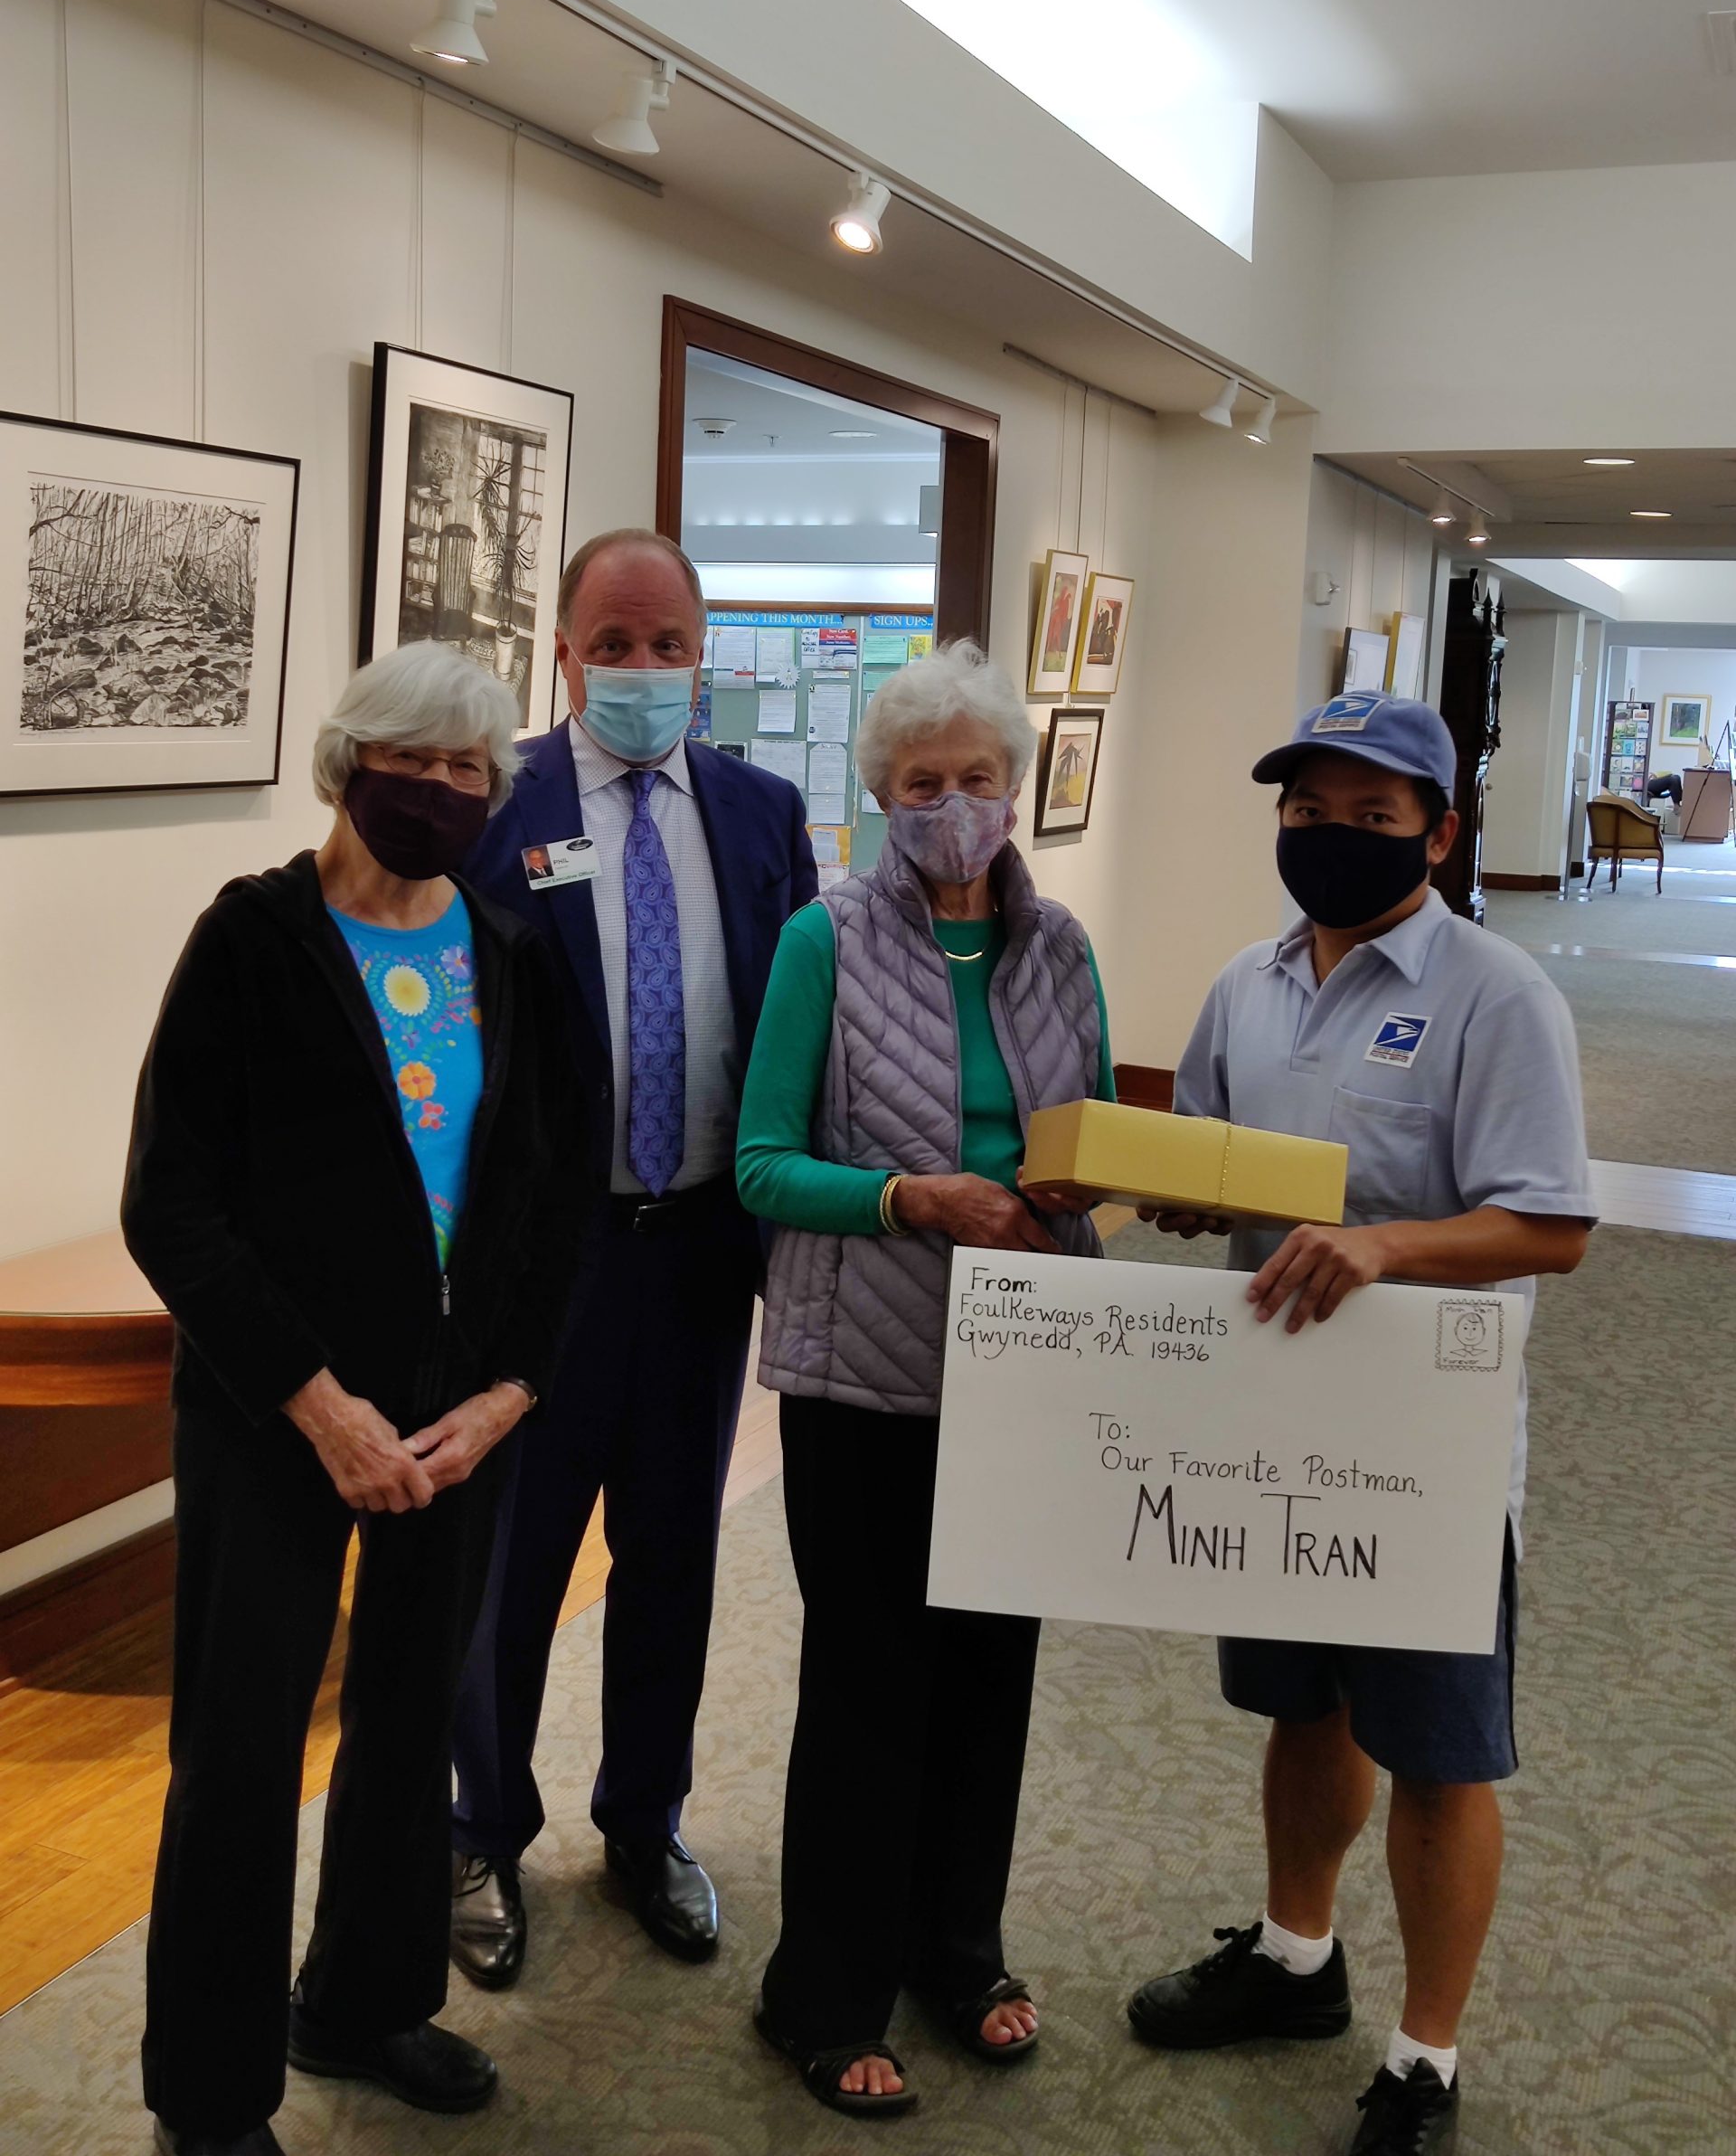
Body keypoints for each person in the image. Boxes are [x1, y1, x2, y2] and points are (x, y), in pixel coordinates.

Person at [122, 642, 587, 2156]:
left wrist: (509, 1392)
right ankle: (211, 2092)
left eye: (473, 771)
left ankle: (365, 2002)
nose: (443, 792)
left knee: (405, 1728)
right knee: (241, 1752)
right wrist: (320, 1405)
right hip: (277, 1422)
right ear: (347, 762)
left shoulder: (514, 958)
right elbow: (170, 1207)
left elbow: (556, 1203)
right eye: (417, 760)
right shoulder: (251, 940)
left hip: (456, 1427)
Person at [1125, 693, 1594, 2156]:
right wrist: (1172, 1192)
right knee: (1302, 1705)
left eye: (1372, 816)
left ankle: (1426, 2057)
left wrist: (1391, 1248)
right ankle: (1295, 1960)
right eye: (1308, 812)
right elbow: (1207, 1161)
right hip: (1267, 1414)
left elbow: (1554, 1227)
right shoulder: (1242, 986)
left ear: (1440, 833)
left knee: (1442, 1753)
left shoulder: (1496, 991)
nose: (1331, 839)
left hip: (1424, 1437)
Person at [739, 640, 1115, 2118]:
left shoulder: (1062, 945)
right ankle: (822, 1994)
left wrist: (1099, 1200)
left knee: (989, 1677)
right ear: (879, 795)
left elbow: (1079, 1142)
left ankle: (959, 1952)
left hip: (1024, 1362)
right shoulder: (820, 941)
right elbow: (765, 1165)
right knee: (869, 1684)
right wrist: (914, 1199)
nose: (951, 805)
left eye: (975, 779)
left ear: (1013, 789)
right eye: (920, 783)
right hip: (865, 1380)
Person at [449, 529, 816, 1983]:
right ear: (564, 648)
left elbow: (803, 1029)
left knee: (671, 1554)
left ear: (703, 650)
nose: (645, 669)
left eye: (669, 644)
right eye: (618, 641)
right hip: (548, 1265)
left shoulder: (764, 811)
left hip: (701, 1251)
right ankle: (483, 1827)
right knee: (517, 1565)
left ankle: (643, 1822)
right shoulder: (496, 807)